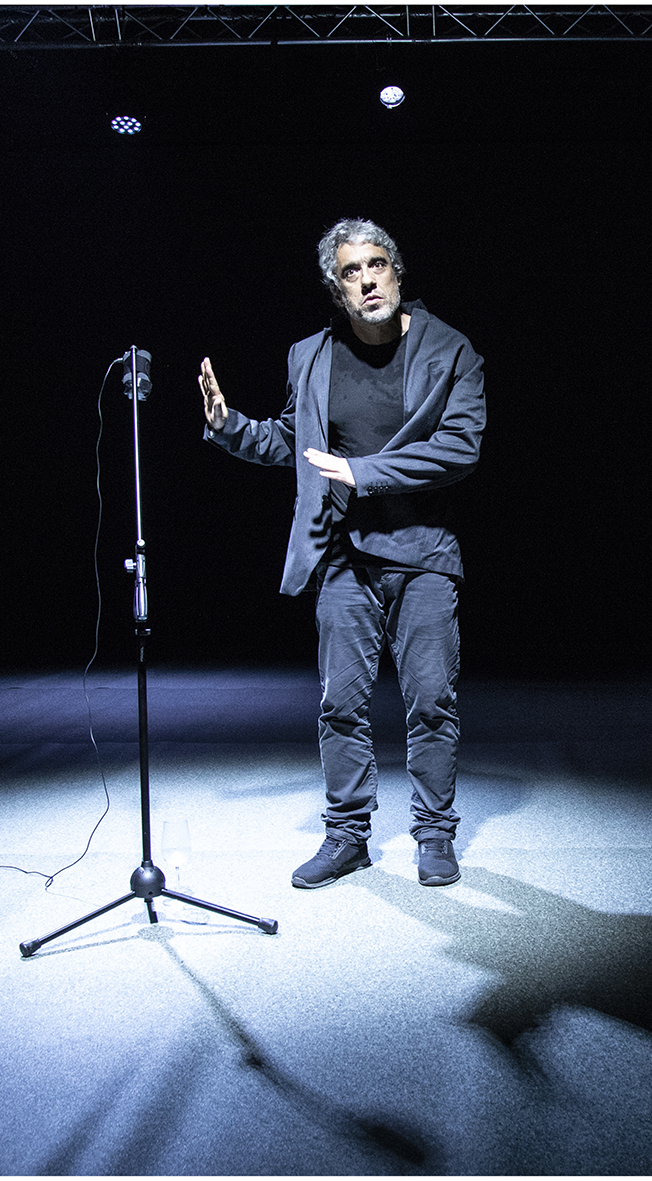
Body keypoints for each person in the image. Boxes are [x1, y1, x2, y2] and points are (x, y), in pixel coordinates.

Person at [198, 218, 485, 889]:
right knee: (340, 706)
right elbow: (294, 442)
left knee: (431, 703)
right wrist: (230, 427)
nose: (367, 280)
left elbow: (460, 448)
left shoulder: (451, 349)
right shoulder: (310, 355)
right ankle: (347, 835)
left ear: (397, 272)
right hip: (343, 557)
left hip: (423, 553)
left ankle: (434, 833)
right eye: (351, 272)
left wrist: (364, 472)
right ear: (336, 289)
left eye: (376, 264)